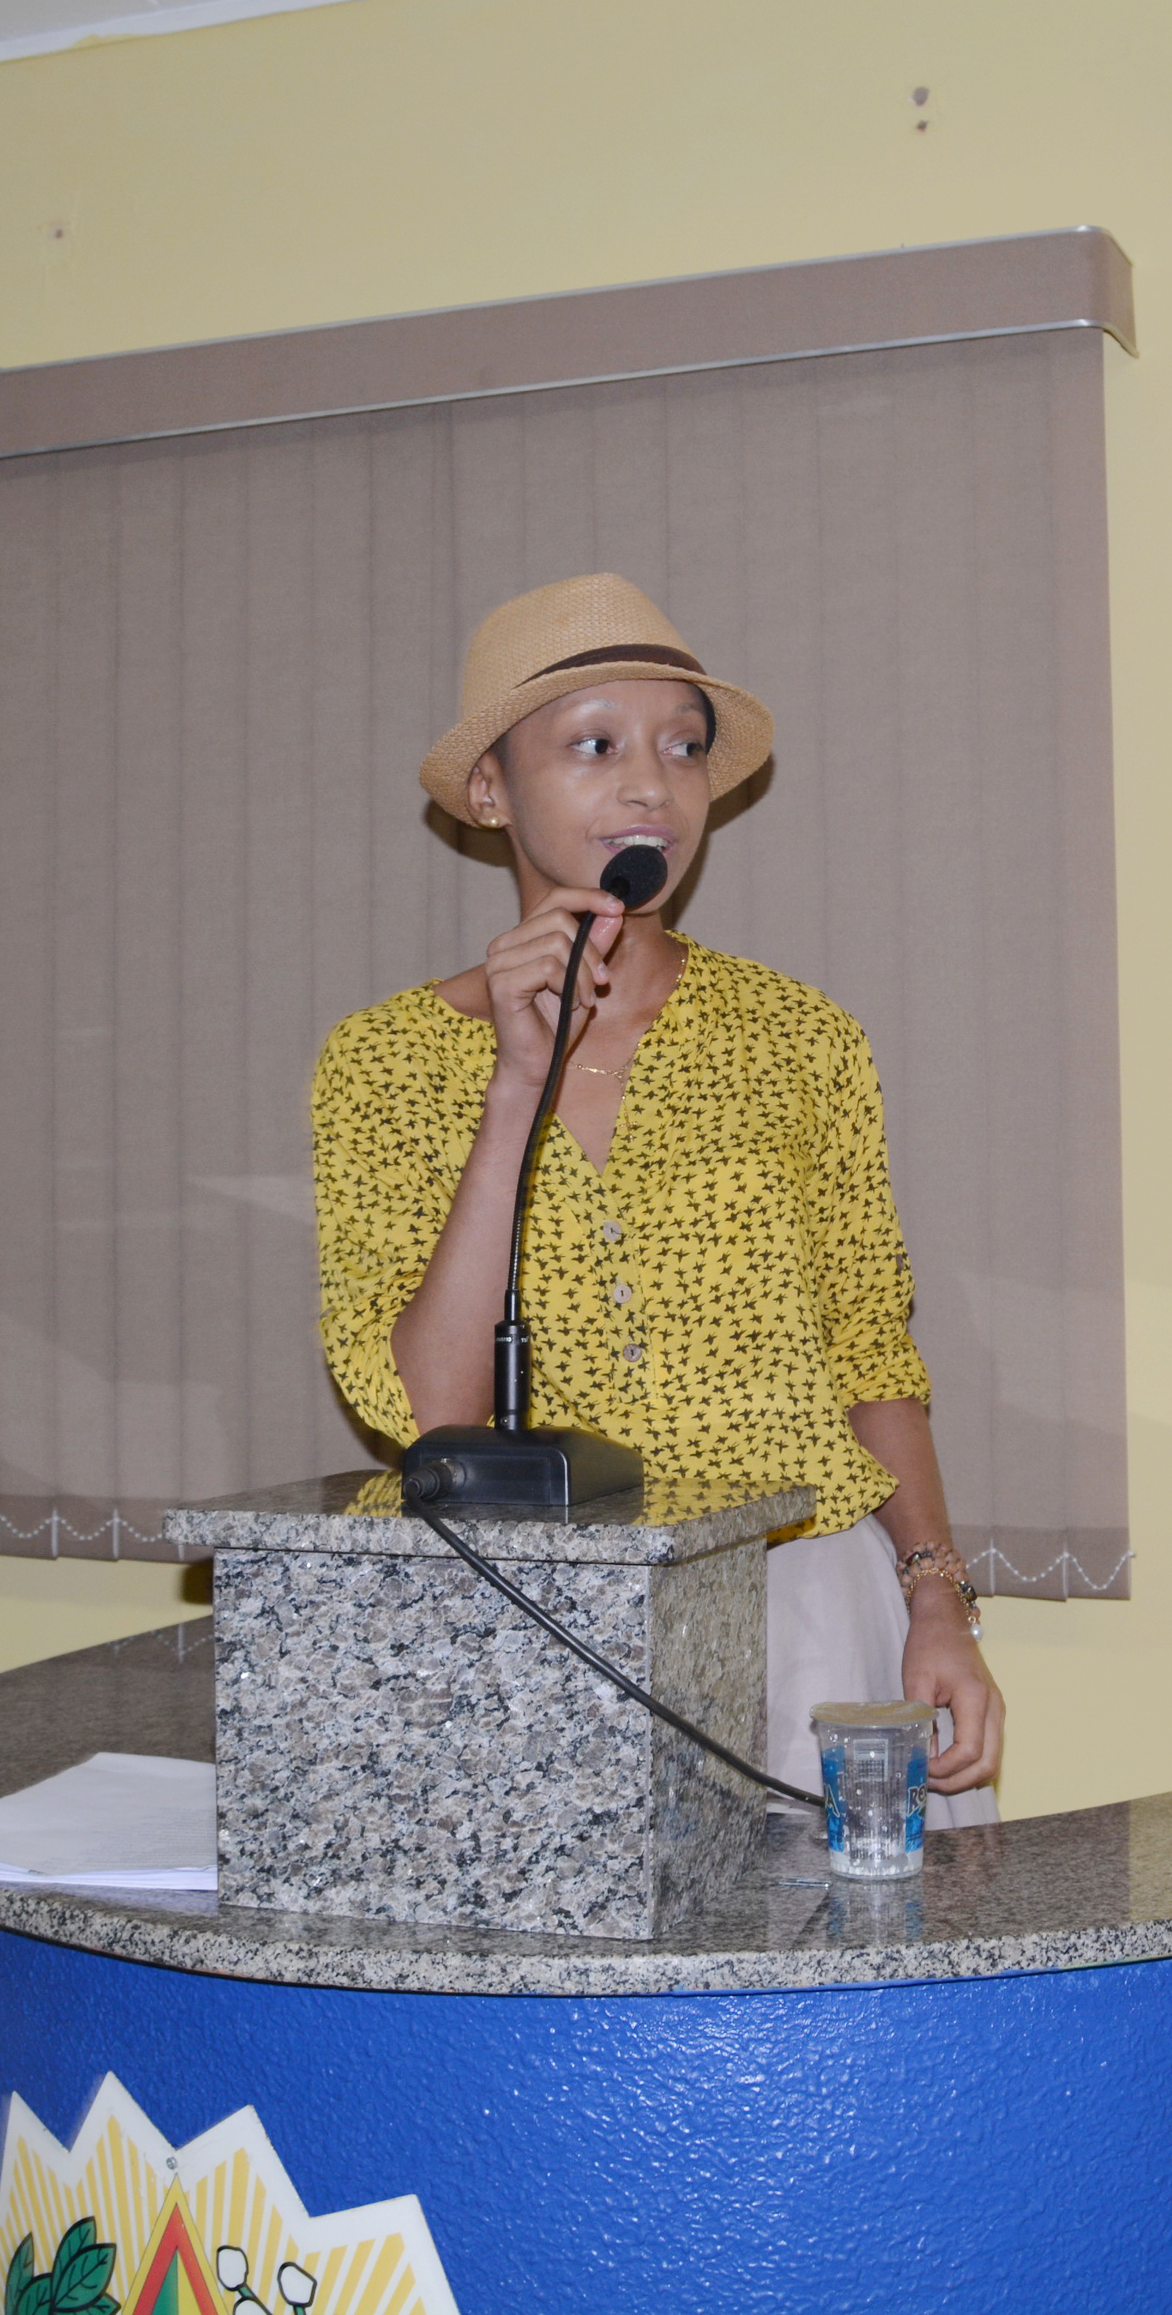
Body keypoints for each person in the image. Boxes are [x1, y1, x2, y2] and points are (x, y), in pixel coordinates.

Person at [311, 573, 1006, 1819]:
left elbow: (871, 1354)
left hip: (809, 1610)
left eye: (683, 749)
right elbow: (428, 1413)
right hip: (537, 1627)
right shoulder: (384, 1062)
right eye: (595, 747)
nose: (653, 788)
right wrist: (515, 1083)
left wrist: (937, 1600)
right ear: (490, 790)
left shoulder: (800, 1038)